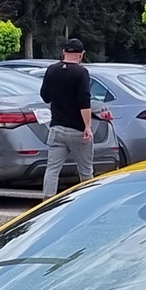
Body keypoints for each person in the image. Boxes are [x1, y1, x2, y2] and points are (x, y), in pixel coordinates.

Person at [38, 36, 96, 197]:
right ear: (81, 54)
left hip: (57, 128)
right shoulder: (81, 72)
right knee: (85, 171)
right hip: (77, 129)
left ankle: (47, 201)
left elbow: (45, 96)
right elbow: (84, 101)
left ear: (63, 52)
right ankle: (89, 201)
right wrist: (87, 127)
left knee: (52, 169)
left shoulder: (52, 70)